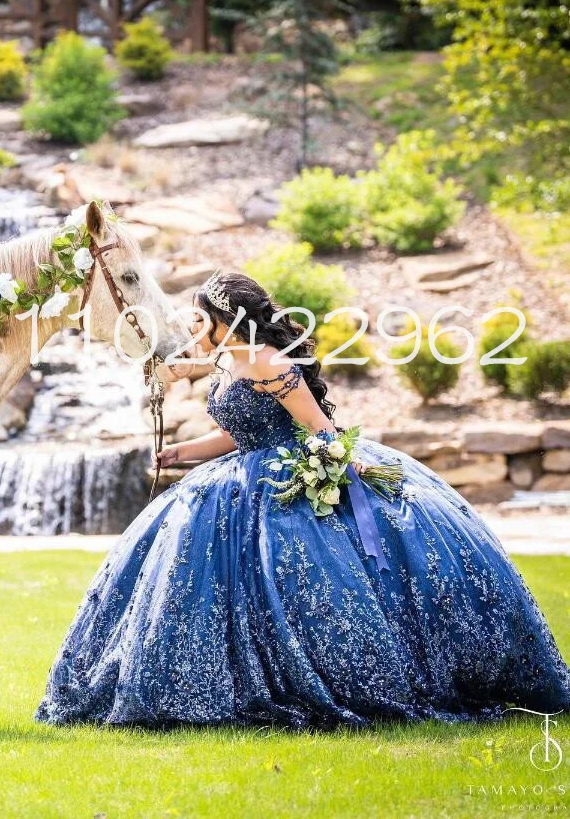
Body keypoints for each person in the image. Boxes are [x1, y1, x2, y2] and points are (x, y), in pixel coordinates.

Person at [35, 272, 570, 729]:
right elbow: (241, 434)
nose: (195, 332)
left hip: (287, 478)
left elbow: (317, 427)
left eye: (200, 322)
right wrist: (180, 451)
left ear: (228, 322)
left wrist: (340, 466)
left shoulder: (269, 362)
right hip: (238, 475)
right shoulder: (229, 365)